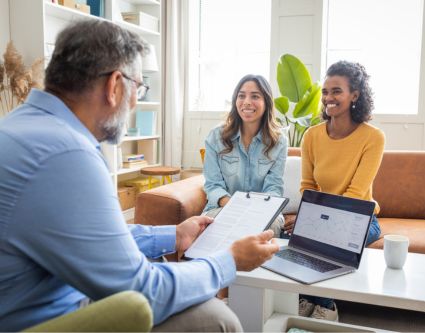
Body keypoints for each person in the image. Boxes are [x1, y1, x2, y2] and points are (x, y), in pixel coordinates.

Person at [0, 20, 279, 332]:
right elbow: (143, 291)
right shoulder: (66, 153)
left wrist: (173, 235)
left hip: (40, 297)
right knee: (217, 320)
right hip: (41, 322)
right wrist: (229, 261)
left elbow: (95, 239)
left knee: (167, 268)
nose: (135, 102)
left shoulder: (23, 125)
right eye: (139, 88)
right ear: (115, 85)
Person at [284, 60, 385, 321]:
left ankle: (325, 306)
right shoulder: (312, 136)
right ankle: (304, 298)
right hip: (321, 216)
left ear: (355, 95)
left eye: (336, 91)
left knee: (327, 241)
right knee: (287, 240)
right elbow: (307, 187)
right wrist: (308, 220)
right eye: (326, 92)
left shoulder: (373, 138)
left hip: (361, 219)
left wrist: (317, 225)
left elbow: (355, 193)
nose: (328, 98)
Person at [203, 74, 288, 236]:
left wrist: (253, 211)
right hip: (223, 207)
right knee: (215, 226)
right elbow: (213, 185)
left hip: (262, 210)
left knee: (272, 225)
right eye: (241, 96)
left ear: (266, 102)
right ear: (235, 101)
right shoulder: (216, 136)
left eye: (255, 96)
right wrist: (236, 207)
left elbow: (274, 188)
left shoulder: (279, 142)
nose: (247, 102)